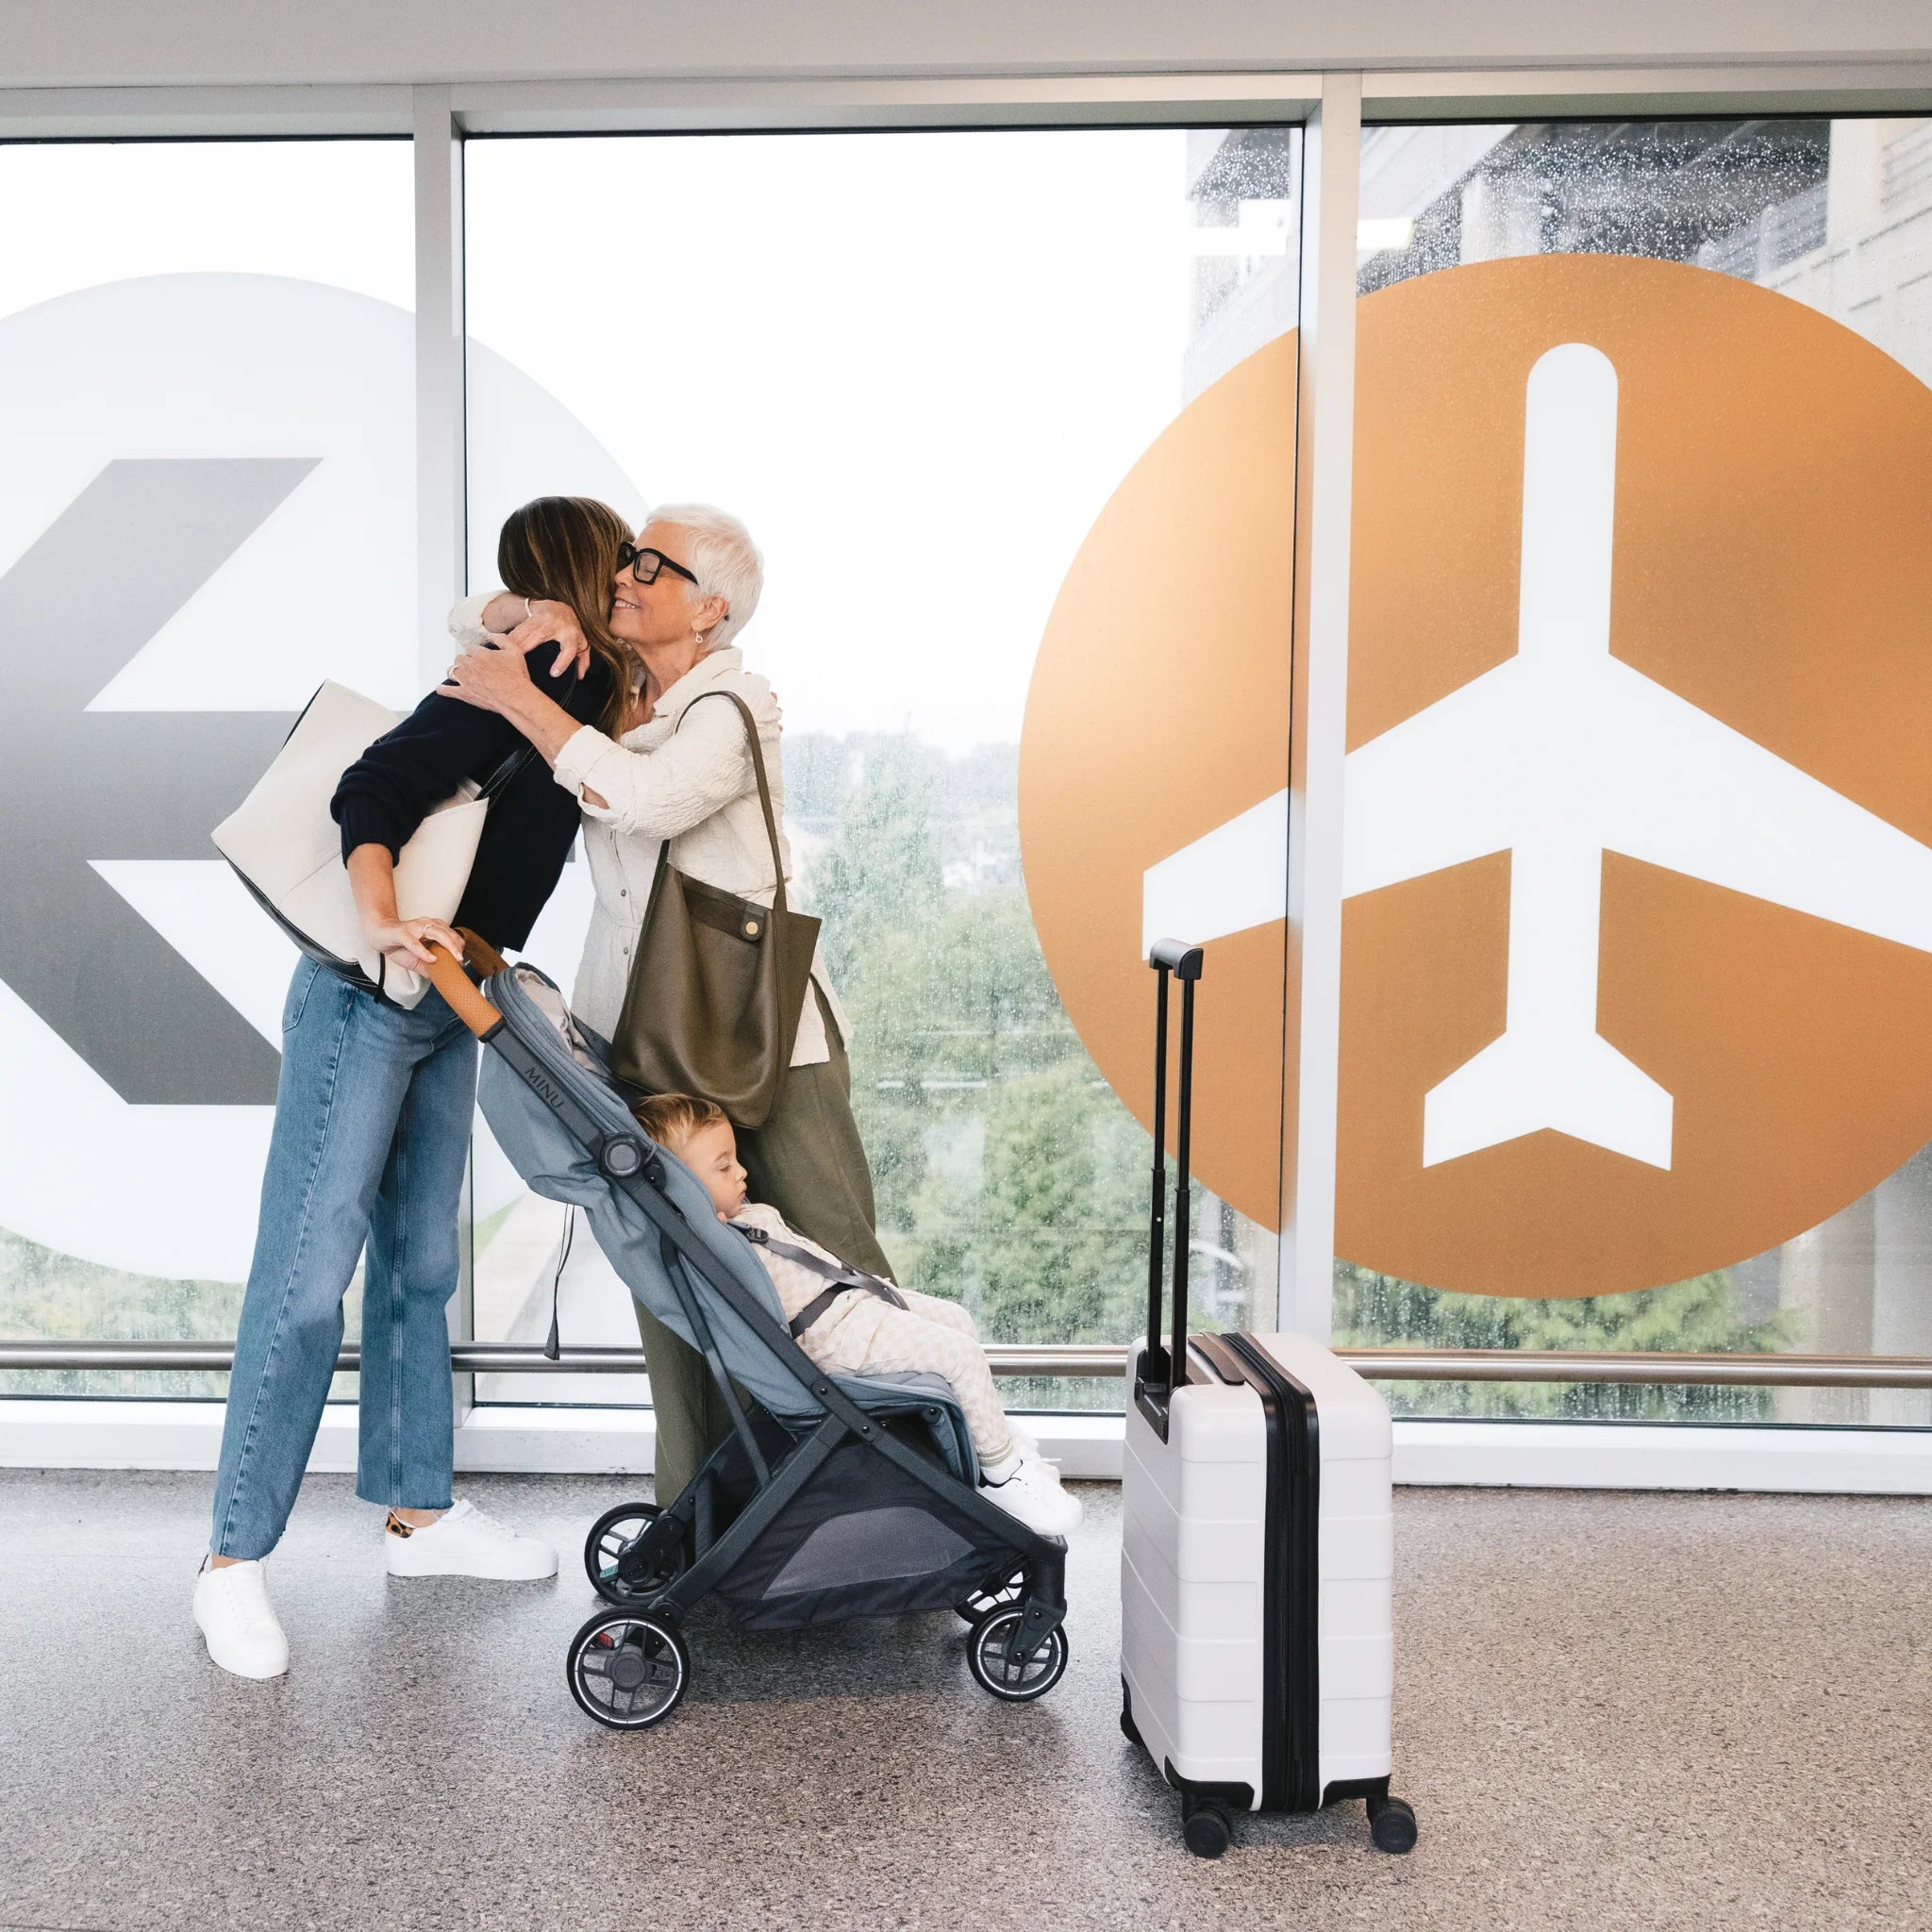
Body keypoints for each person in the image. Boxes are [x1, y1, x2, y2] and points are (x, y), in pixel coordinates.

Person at [194, 498, 634, 1681]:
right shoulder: (529, 664)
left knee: (422, 1266)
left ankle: (419, 1515)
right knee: (303, 1278)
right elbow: (374, 788)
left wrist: (496, 611)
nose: (638, 577)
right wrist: (384, 923)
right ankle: (231, 1563)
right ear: (587, 574)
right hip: (363, 998)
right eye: (625, 561)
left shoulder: (565, 679)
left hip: (448, 1006)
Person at [441, 504, 890, 1504]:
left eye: (654, 561)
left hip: (766, 1038)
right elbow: (462, 612)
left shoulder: (735, 707)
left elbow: (647, 802)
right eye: (628, 555)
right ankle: (697, 1513)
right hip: (640, 1033)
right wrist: (530, 613)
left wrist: (526, 699)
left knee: (836, 1263)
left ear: (712, 609)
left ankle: (909, 1501)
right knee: (676, 1285)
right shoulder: (615, 691)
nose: (626, 572)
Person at [633, 1092, 1081, 1537]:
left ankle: (991, 1447)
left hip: (852, 1306)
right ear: (683, 1186)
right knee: (959, 1355)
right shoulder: (709, 1242)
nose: (743, 1171)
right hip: (835, 1339)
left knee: (957, 1319)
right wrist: (691, 1209)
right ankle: (1003, 1476)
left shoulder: (743, 1215)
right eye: (724, 1165)